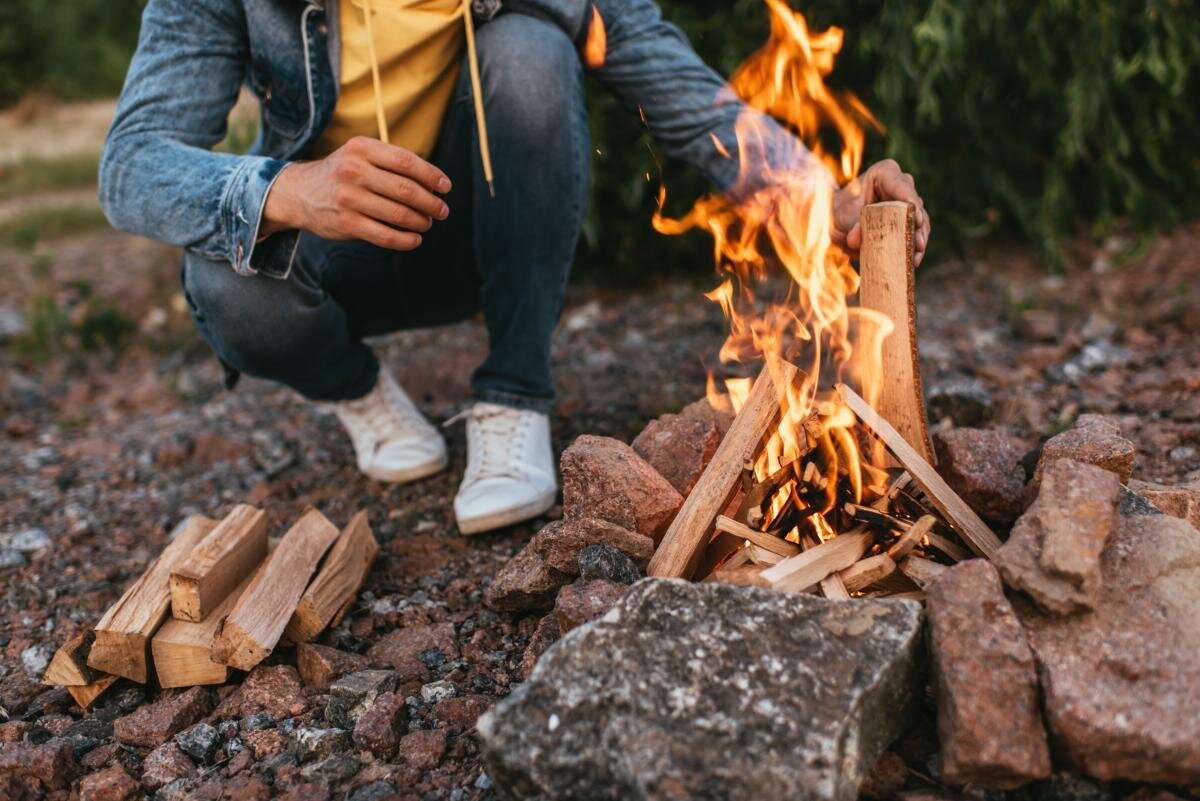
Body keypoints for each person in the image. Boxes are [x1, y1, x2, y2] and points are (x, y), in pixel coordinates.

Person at [99, 0, 930, 535]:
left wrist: (824, 200)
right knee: (224, 281)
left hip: (492, 234)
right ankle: (357, 390)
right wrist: (288, 189)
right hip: (332, 249)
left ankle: (513, 393)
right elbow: (130, 164)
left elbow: (681, 92)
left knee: (532, 46)